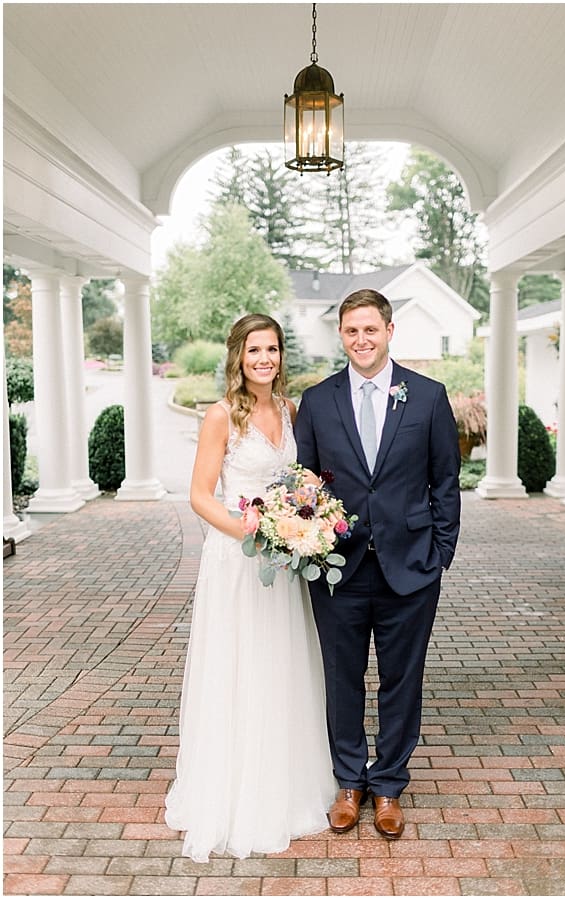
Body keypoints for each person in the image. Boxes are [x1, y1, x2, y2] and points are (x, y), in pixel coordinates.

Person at [165, 313, 336, 862]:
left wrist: (304, 521)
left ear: (282, 355)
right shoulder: (220, 417)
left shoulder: (290, 411)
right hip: (238, 561)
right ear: (238, 356)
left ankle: (287, 788)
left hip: (283, 563)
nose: (264, 359)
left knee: (283, 663)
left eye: (273, 349)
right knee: (240, 666)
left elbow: (301, 481)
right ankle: (234, 793)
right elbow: (199, 494)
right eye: (254, 350)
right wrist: (253, 531)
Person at [294, 288, 461, 840]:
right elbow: (304, 485)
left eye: (370, 329)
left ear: (390, 331)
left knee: (400, 680)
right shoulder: (318, 402)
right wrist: (310, 540)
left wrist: (440, 554)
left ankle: (388, 784)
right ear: (341, 336)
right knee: (342, 680)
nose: (361, 340)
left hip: (410, 566)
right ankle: (350, 781)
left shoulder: (429, 397)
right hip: (337, 569)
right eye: (351, 331)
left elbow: (446, 482)